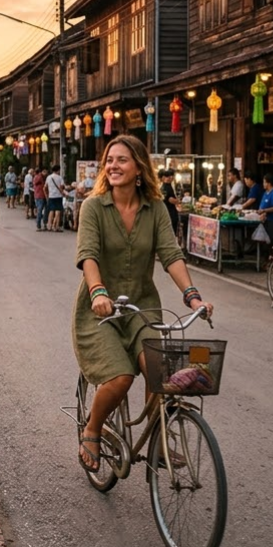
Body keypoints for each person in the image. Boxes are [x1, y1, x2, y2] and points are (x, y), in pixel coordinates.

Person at [72, 135, 213, 473]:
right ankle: (92, 428)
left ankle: (159, 442)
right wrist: (98, 292)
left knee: (161, 373)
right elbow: (88, 255)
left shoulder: (156, 209)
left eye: (122, 160)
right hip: (100, 310)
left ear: (139, 167)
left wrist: (192, 296)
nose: (113, 166)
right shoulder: (94, 206)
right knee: (120, 378)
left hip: (142, 308)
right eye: (110, 160)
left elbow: (171, 254)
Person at [160, 169, 181, 241]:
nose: (170, 178)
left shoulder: (162, 186)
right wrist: (178, 201)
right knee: (172, 231)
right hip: (170, 212)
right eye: (168, 176)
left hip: (165, 211)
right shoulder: (167, 186)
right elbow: (170, 199)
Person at [45, 165, 66, 232]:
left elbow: (45, 186)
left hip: (51, 196)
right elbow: (62, 187)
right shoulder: (60, 178)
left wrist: (47, 195)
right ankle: (56, 226)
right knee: (58, 211)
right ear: (58, 170)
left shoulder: (48, 177)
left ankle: (49, 226)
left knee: (51, 211)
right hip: (58, 196)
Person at [33, 165, 48, 231]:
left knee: (46, 210)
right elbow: (36, 183)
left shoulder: (45, 178)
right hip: (39, 196)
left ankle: (45, 224)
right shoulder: (38, 177)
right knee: (40, 210)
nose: (46, 173)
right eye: (44, 171)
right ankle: (38, 225)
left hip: (45, 196)